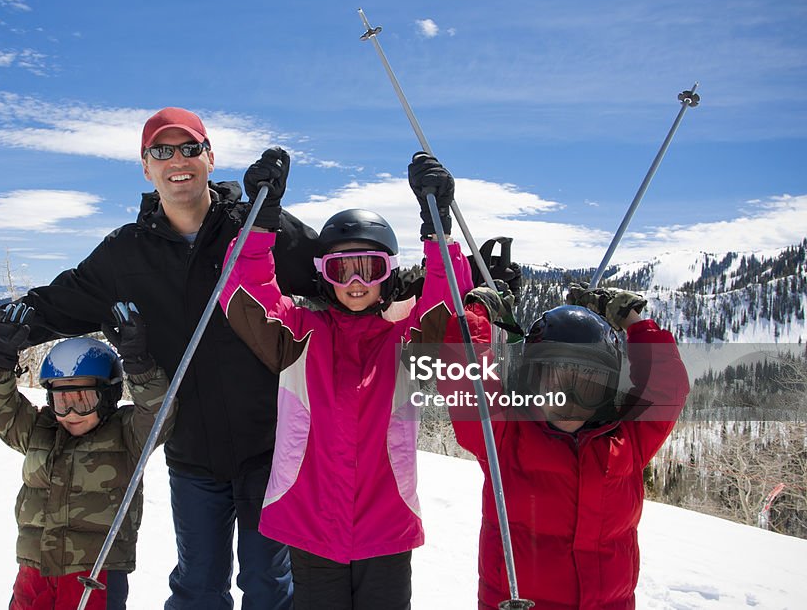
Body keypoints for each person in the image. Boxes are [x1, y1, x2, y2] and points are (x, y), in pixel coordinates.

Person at [0, 107, 322, 610]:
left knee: (269, 586)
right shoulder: (126, 255)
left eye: (188, 148)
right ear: (146, 167)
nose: (176, 160)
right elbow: (41, 310)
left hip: (274, 449)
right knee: (198, 588)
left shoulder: (259, 229)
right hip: (192, 455)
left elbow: (351, 283)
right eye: (160, 152)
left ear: (210, 157)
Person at [218, 151, 471, 609]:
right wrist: (261, 223)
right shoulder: (298, 336)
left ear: (388, 274)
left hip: (386, 526)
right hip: (311, 524)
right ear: (324, 278)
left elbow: (448, 301)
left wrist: (437, 231)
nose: (356, 282)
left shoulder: (403, 342)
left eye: (370, 268)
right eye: (340, 269)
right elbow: (243, 293)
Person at [444, 283, 690, 610]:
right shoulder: (505, 437)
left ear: (606, 391)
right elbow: (465, 374)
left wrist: (631, 321)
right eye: (554, 383)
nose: (569, 401)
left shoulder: (626, 441)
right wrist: (478, 313)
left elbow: (667, 386)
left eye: (588, 384)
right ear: (532, 381)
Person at [0, 301, 174, 610]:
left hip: (95, 573)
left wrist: (138, 364)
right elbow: (0, 410)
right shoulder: (38, 430)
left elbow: (157, 411)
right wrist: (0, 360)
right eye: (61, 401)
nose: (70, 413)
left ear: (108, 396)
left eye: (82, 400)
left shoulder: (128, 436)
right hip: (35, 568)